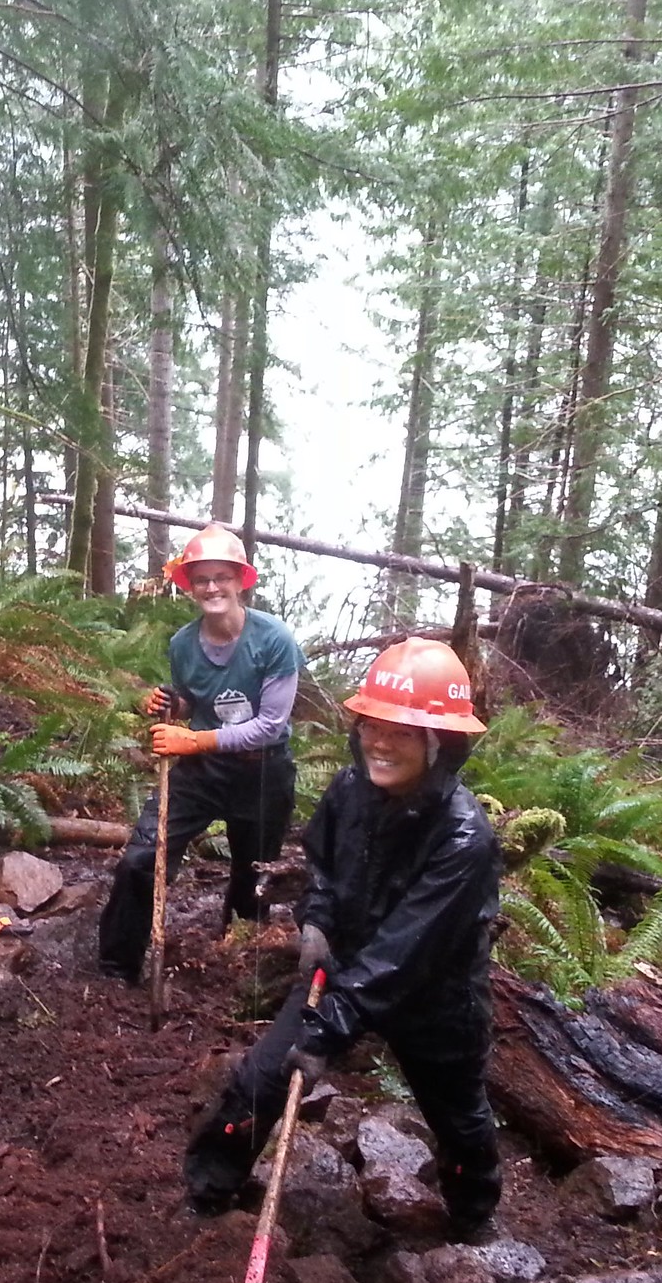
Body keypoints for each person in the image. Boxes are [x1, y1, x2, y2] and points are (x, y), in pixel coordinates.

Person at [183, 637, 502, 1242]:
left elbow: (406, 953)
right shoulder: (349, 790)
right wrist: (318, 919)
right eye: (372, 726)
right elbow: (323, 864)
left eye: (403, 732)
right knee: (260, 1079)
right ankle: (208, 1193)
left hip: (435, 994)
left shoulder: (465, 839)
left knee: (458, 1117)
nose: (381, 743)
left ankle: (474, 1219)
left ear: (441, 743)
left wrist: (329, 1028)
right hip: (343, 964)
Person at [96, 524, 303, 984]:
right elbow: (196, 700)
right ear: (189, 586)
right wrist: (171, 704)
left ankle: (236, 971)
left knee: (253, 881)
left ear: (240, 580)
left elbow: (269, 727)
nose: (212, 587)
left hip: (263, 773)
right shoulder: (183, 643)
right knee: (142, 858)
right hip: (202, 770)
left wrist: (193, 740)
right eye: (202, 579)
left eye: (221, 577)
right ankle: (116, 968)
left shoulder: (274, 641)